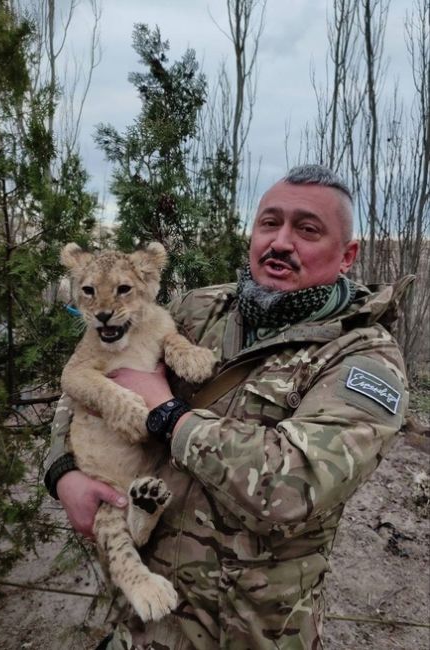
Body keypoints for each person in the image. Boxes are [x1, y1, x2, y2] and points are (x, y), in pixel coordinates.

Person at [44, 165, 412, 649]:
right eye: (269, 223)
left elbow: (295, 486)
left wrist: (167, 414)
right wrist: (64, 471)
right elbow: (90, 375)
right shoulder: (200, 308)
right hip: (147, 614)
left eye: (307, 229)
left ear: (347, 255)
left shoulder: (363, 359)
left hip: (248, 628)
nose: (280, 242)